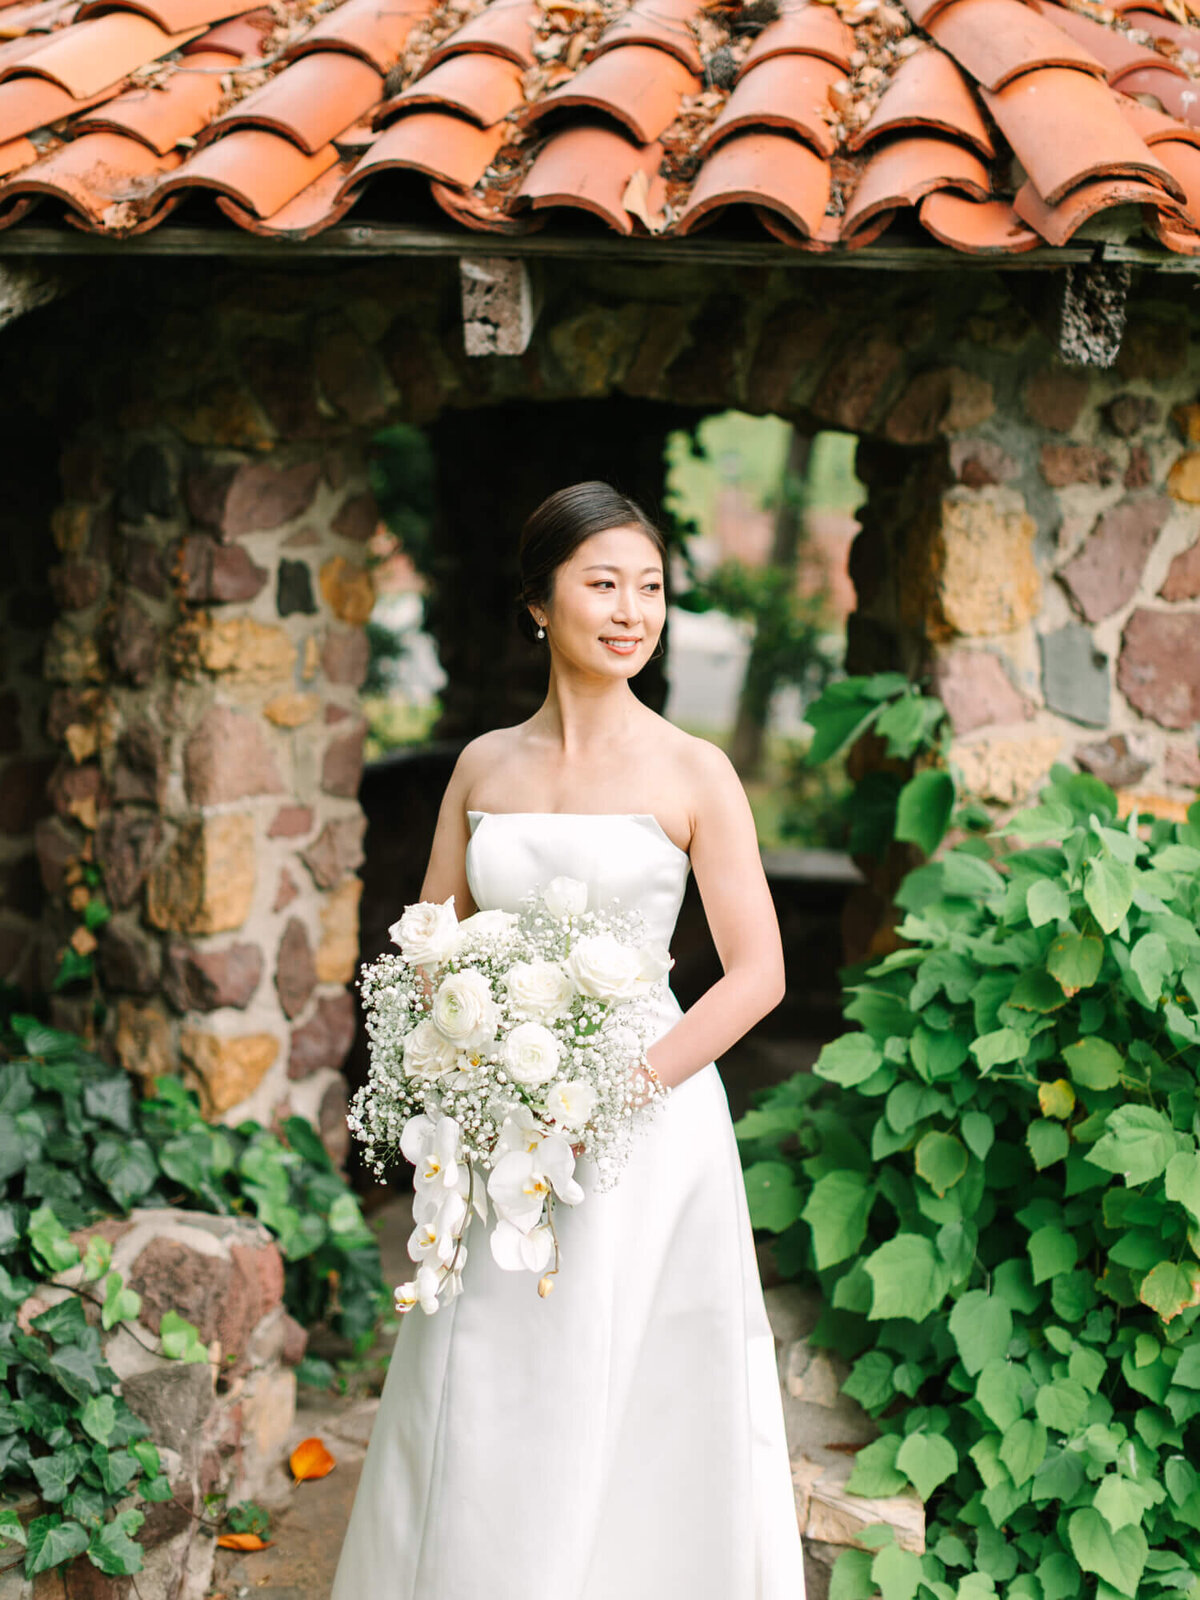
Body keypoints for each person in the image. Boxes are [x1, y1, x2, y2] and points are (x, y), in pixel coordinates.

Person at [330, 481, 807, 1600]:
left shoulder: (696, 771)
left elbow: (760, 974)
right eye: (603, 583)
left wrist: (617, 1089)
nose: (631, 608)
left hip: (647, 1126)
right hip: (502, 1122)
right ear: (540, 603)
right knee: (492, 1371)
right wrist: (458, 1053)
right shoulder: (483, 767)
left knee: (633, 1374)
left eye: (650, 586)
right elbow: (432, 942)